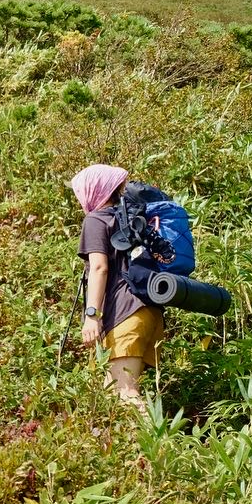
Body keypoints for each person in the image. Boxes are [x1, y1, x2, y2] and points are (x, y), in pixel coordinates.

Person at [71, 164, 165, 411]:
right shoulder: (132, 220)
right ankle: (137, 449)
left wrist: (92, 316)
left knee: (125, 392)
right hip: (149, 312)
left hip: (125, 313)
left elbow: (99, 268)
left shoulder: (95, 220)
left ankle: (161, 448)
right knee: (111, 392)